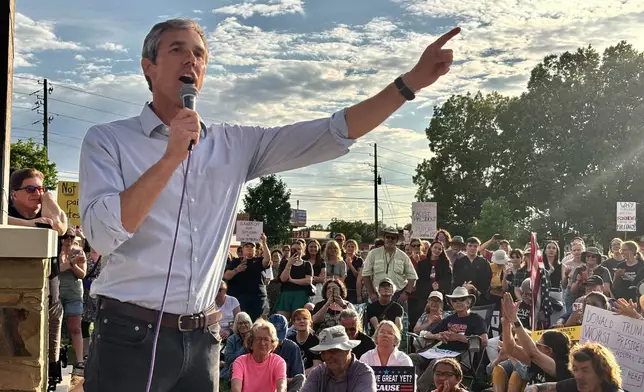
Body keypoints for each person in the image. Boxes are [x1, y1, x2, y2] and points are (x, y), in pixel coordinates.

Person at [79, 16, 459, 389]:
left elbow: (331, 132)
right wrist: (170, 158)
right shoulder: (109, 141)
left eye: (199, 54)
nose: (191, 60)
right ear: (149, 67)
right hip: (131, 336)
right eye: (177, 50)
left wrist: (409, 84)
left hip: (201, 339)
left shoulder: (233, 145)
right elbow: (101, 235)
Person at [7, 168, 68, 389]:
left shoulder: (47, 209)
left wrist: (49, 197)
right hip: (13, 300)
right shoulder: (7, 213)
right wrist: (31, 225)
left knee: (48, 355)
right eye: (31, 189)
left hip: (50, 295)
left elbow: (60, 227)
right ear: (14, 194)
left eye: (41, 189)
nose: (37, 193)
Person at [409, 286, 488, 392]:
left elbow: (484, 340)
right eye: (455, 300)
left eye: (462, 299)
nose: (458, 302)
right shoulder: (448, 319)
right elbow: (428, 334)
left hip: (461, 356)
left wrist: (458, 337)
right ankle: (411, 386)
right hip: (437, 351)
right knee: (412, 358)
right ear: (451, 303)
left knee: (437, 363)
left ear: (468, 302)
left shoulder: (477, 320)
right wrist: (438, 336)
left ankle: (419, 390)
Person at [501, 293, 573, 389]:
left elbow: (532, 353)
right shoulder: (538, 362)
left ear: (548, 350)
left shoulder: (562, 368)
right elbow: (510, 348)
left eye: (538, 344)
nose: (535, 346)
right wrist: (506, 322)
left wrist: (515, 319)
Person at [301, 325, 377, 392]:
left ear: (347, 350)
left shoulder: (363, 373)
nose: (326, 357)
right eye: (323, 352)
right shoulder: (318, 373)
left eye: (332, 351)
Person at [525, 342, 623, 392]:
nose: (578, 376)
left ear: (602, 373)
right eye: (575, 369)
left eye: (585, 370)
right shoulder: (575, 384)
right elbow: (542, 387)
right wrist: (532, 388)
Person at [362, 229, 418, 306]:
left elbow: (412, 277)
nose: (390, 239)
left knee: (398, 318)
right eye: (388, 237)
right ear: (384, 238)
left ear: (397, 240)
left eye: (393, 238)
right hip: (377, 295)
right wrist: (371, 293)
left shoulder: (403, 256)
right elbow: (366, 275)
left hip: (398, 296)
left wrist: (406, 293)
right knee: (374, 317)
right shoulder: (373, 254)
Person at [58, 228, 88, 373]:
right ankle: (55, 357)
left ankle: (80, 360)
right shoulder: (55, 249)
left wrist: (73, 264)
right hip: (56, 293)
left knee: (76, 328)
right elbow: (57, 269)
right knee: (54, 328)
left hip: (74, 294)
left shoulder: (79, 252)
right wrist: (70, 263)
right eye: (66, 236)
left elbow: (82, 274)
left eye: (71, 236)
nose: (69, 240)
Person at [224, 234, 271, 321]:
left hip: (257, 298)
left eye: (252, 247)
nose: (249, 248)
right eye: (247, 246)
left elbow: (267, 260)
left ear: (255, 249)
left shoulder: (259, 260)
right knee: (241, 321)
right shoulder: (235, 261)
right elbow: (226, 276)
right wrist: (236, 270)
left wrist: (264, 242)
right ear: (242, 249)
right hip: (240, 297)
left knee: (257, 322)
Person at [231, 319, 287, 392]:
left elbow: (282, 386)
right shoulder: (240, 361)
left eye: (266, 339)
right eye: (258, 339)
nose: (262, 343)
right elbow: (235, 388)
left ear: (272, 344)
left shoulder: (278, 362)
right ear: (251, 343)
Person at [268, 314, 306, 392]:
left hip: (285, 385)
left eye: (280, 338)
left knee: (301, 378)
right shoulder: (260, 345)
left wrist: (280, 380)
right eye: (274, 338)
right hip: (264, 384)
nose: (277, 342)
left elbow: (297, 376)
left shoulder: (292, 347)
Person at [276, 242, 314, 320]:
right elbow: (283, 279)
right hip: (286, 295)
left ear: (303, 250)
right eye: (293, 249)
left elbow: (308, 281)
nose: (296, 251)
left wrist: (292, 280)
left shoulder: (307, 264)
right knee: (282, 321)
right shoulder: (284, 263)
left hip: (301, 295)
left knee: (299, 321)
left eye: (299, 249)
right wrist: (289, 264)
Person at [452, 237, 492, 305]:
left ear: (478, 247)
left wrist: (478, 291)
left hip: (480, 296)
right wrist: (463, 286)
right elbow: (455, 278)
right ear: (466, 246)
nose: (472, 248)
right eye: (470, 245)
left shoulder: (484, 262)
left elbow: (488, 279)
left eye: (475, 246)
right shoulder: (459, 262)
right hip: (463, 295)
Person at [286, 309, 322, 376]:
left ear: (310, 322)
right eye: (298, 319)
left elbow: (317, 366)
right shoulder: (289, 340)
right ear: (293, 323)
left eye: (305, 318)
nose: (302, 321)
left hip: (310, 378)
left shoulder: (316, 341)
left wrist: (299, 376)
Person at [81, 246, 102, 360]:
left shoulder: (104, 257)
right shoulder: (85, 256)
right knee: (84, 322)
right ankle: (85, 352)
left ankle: (96, 349)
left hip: (98, 293)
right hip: (86, 293)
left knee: (98, 321)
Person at [221, 312, 252, 380]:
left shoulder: (254, 337)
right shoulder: (231, 339)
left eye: (246, 322)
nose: (243, 325)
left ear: (250, 324)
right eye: (240, 323)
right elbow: (228, 360)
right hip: (232, 369)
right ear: (236, 325)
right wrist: (244, 348)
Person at [344, 240, 364, 304]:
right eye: (348, 246)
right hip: (343, 288)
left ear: (355, 249)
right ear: (345, 247)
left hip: (353, 289)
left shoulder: (359, 260)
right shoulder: (341, 259)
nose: (350, 248)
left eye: (352, 247)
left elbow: (357, 276)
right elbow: (343, 274)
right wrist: (346, 265)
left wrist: (350, 264)